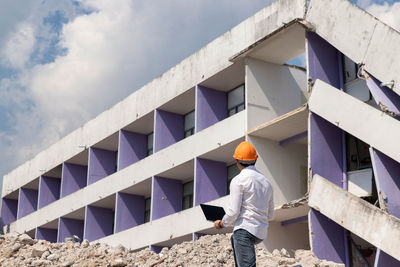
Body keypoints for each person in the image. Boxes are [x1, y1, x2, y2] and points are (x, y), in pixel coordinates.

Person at [214, 141, 274, 267]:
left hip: (244, 231)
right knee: (234, 239)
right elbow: (271, 215)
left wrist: (221, 223)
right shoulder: (267, 182)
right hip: (261, 233)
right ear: (255, 160)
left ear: (237, 161)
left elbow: (234, 212)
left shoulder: (238, 180)